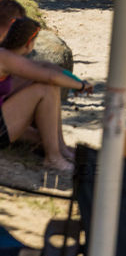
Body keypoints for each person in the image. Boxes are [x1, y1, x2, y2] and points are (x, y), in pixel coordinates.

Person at [1, 17, 89, 171]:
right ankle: (54, 157)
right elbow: (51, 77)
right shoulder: (6, 58)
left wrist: (75, 81)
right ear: (29, 43)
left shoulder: (6, 55)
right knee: (46, 89)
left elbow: (45, 67)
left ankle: (60, 149)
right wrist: (80, 86)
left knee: (44, 85)